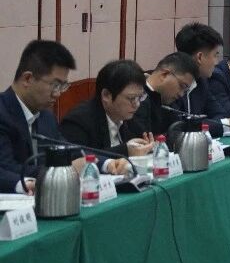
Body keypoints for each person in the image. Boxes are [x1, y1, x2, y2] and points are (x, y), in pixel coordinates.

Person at [0, 41, 125, 194]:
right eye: (55, 85)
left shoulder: (46, 116)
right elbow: (6, 168)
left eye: (63, 86)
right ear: (27, 79)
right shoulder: (3, 113)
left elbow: (70, 151)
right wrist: (65, 170)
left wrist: (107, 163)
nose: (58, 93)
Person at [59, 59, 155, 158]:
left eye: (140, 97)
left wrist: (147, 147)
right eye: (131, 98)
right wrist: (125, 151)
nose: (137, 104)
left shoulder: (130, 118)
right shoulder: (78, 121)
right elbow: (76, 159)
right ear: (106, 95)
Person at [132, 52, 200, 139]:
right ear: (164, 75)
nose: (181, 94)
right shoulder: (135, 98)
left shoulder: (169, 101)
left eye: (185, 90)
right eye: (182, 86)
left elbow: (178, 132)